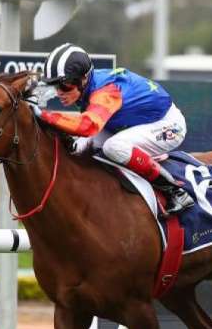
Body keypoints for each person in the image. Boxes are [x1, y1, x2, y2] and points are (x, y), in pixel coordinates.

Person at [34, 43, 195, 214]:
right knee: (77, 149)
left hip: (167, 124)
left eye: (65, 85)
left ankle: (176, 192)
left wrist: (44, 116)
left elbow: (87, 126)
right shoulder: (87, 85)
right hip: (132, 123)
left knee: (114, 147)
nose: (59, 92)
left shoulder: (106, 92)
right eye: (55, 85)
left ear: (84, 79)